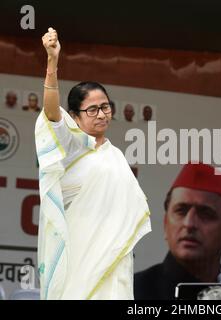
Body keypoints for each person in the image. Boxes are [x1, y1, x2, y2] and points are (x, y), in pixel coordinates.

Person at [34, 27, 151, 300]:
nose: (101, 114)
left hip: (115, 258)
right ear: (75, 116)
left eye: (105, 106)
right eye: (92, 109)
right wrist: (52, 61)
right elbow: (52, 112)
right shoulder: (71, 145)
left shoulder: (116, 155)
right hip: (79, 254)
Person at [134, 162, 221, 300]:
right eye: (181, 211)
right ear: (166, 225)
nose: (189, 224)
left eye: (205, 214)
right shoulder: (129, 292)